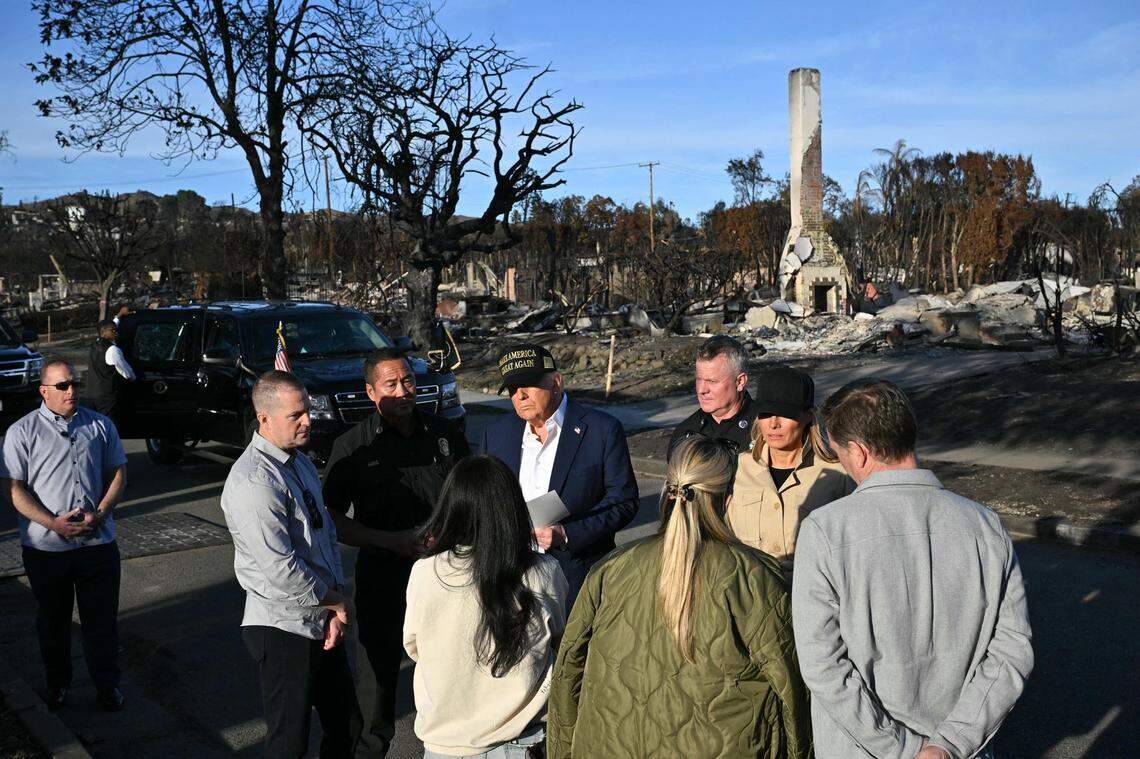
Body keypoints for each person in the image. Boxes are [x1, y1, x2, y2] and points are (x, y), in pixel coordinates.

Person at [793, 380, 1034, 759]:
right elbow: (1011, 653)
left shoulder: (825, 531)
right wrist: (948, 744)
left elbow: (823, 665)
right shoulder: (986, 526)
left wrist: (903, 749)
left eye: (838, 454)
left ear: (857, 453)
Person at [547, 437, 812, 759]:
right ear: (727, 500)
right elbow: (794, 690)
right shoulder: (753, 578)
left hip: (610, 744)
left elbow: (567, 672)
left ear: (666, 493)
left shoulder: (610, 571)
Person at [322, 348, 470, 757]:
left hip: (446, 574)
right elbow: (330, 517)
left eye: (408, 381)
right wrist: (388, 540)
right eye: (392, 384)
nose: (405, 391)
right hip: (383, 574)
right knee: (377, 681)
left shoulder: (443, 435)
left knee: (450, 670)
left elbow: (469, 494)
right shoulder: (353, 446)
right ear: (371, 392)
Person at [220, 370, 361, 758]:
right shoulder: (253, 481)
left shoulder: (296, 461)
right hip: (282, 626)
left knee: (347, 726)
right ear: (264, 418)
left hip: (320, 614)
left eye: (308, 410)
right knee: (289, 741)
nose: (308, 420)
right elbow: (279, 568)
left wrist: (334, 604)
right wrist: (333, 600)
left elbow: (323, 531)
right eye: (295, 414)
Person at [404, 455, 568, 759]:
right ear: (512, 509)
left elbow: (414, 646)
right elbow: (559, 641)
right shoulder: (543, 571)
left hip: (443, 745)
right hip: (520, 743)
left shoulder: (426, 572)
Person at [2, 359, 128, 711]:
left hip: (97, 545)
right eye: (62, 386)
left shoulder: (100, 426)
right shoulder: (21, 432)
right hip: (47, 549)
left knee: (101, 623)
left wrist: (100, 513)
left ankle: (107, 687)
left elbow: (118, 472)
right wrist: (52, 523)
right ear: (44, 391)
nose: (71, 391)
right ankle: (58, 685)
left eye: (74, 383)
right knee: (53, 623)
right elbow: (13, 489)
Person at [479, 344, 638, 605]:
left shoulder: (601, 430)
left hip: (576, 577)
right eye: (511, 389)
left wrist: (567, 534)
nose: (520, 395)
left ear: (556, 382)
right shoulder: (495, 434)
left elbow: (624, 502)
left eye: (528, 385)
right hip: (511, 576)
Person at [727, 366, 853, 573]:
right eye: (766, 414)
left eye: (785, 414)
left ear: (808, 417)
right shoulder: (738, 468)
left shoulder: (838, 474)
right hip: (754, 598)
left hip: (813, 597)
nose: (774, 424)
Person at [668, 335, 758, 459]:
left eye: (712, 381)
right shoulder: (685, 433)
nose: (701, 390)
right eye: (699, 379)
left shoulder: (765, 431)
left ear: (740, 382)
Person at [85, 320, 135, 427]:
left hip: (91, 395)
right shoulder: (112, 350)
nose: (116, 332)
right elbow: (126, 372)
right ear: (103, 332)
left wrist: (119, 316)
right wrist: (134, 377)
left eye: (117, 329)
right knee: (109, 427)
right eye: (113, 330)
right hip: (107, 397)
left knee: (96, 427)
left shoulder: (94, 345)